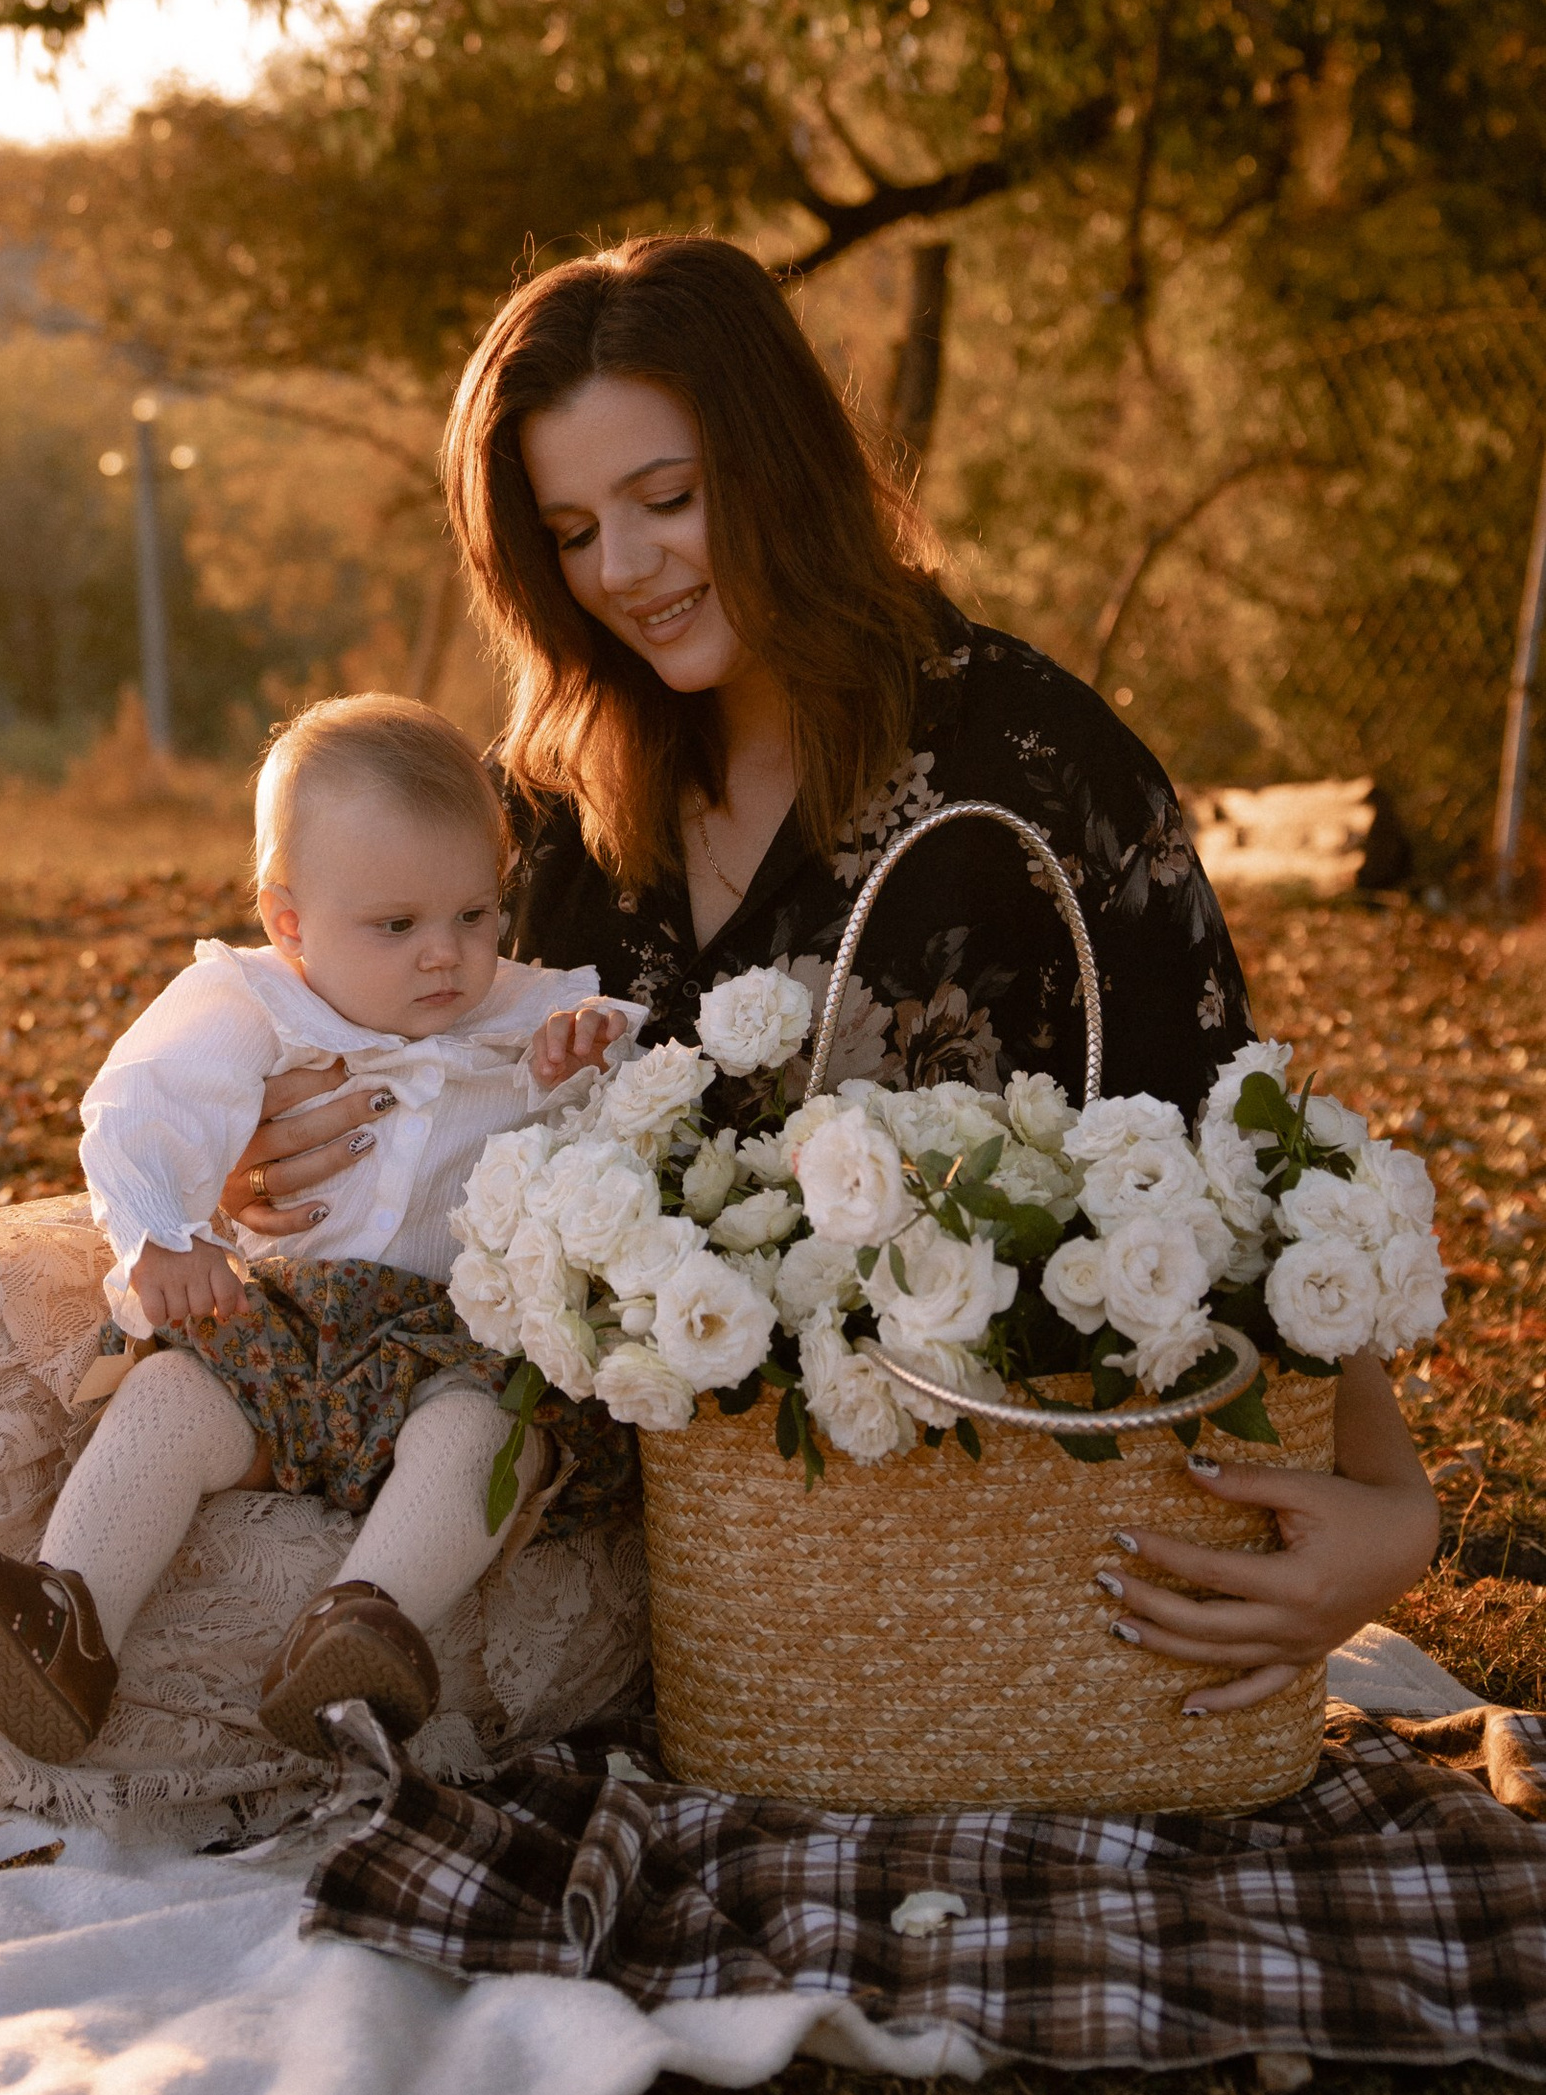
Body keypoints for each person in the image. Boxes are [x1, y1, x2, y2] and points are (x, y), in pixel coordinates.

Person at [217, 236, 1439, 1718]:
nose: (626, 569)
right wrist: (264, 1154)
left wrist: (1394, 1507)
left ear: (782, 460)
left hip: (927, 1532)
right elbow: (371, 1046)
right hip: (584, 1492)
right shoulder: (541, 812)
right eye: (575, 530)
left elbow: (1224, 1147)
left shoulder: (1032, 766)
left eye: (669, 499)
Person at [0, 695, 631, 1766]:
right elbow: (145, 1103)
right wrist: (161, 1238)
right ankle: (65, 1618)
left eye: (473, 915)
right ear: (289, 923)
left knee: (485, 1440)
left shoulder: (529, 1012)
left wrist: (585, 1063)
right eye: (397, 925)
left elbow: (619, 1126)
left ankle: (362, 1626)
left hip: (451, 1348)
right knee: (170, 1395)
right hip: (284, 1322)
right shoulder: (254, 1000)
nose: (445, 957)